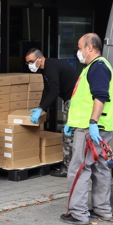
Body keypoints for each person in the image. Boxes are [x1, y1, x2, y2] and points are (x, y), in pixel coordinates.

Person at [60, 33, 113, 225]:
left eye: (80, 47)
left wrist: (92, 122)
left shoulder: (97, 67)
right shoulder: (96, 67)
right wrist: (71, 122)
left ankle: (78, 213)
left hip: (89, 129)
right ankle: (102, 210)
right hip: (98, 127)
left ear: (89, 48)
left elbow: (100, 96)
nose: (78, 51)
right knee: (100, 168)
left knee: (79, 169)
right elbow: (83, 99)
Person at [25, 48, 78, 177]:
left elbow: (54, 92)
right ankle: (72, 167)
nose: (29, 65)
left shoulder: (51, 68)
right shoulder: (46, 68)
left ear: (40, 58)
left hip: (75, 101)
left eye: (31, 61)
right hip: (72, 99)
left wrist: (41, 109)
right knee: (70, 134)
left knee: (68, 135)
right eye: (27, 63)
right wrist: (40, 106)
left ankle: (68, 168)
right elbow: (47, 89)